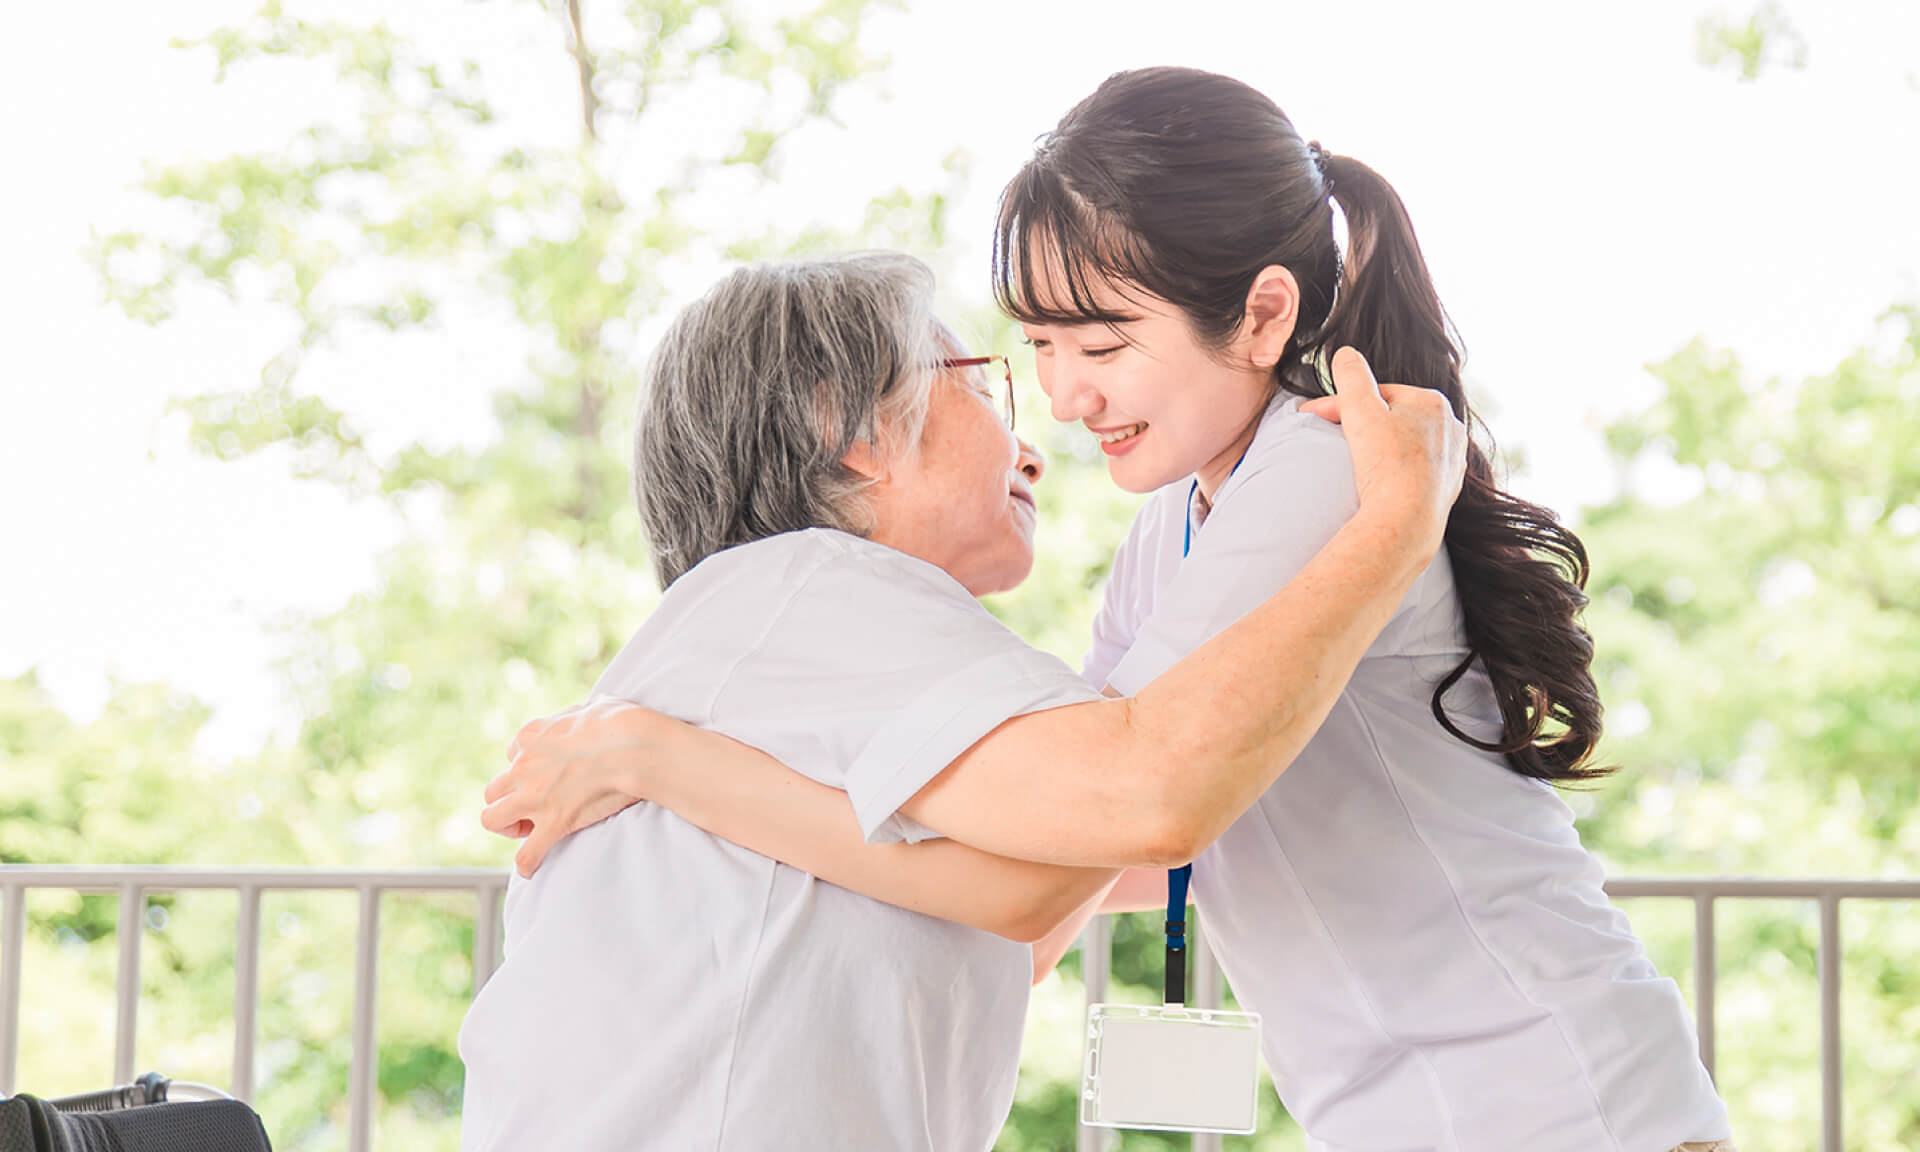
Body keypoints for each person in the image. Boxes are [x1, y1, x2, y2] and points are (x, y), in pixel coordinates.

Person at [485, 69, 1736, 1152]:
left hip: (1554, 1100)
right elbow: (1067, 853)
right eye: (1033, 349)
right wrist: (677, 766)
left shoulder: (1330, 464)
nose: (1064, 397)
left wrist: (671, 759)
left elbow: (1141, 804)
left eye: (1101, 343)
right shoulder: (1168, 538)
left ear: (1260, 316)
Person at [458, 250, 1464, 1151]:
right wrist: (1399, 524)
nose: (1032, 446)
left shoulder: (766, 641)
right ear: (843, 427)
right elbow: (1133, 802)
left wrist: (669, 762)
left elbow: (1020, 904)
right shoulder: (811, 583)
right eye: (987, 390)